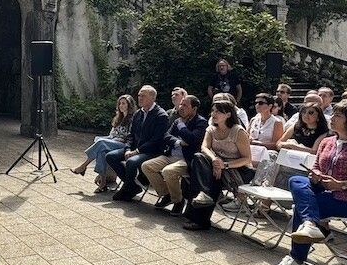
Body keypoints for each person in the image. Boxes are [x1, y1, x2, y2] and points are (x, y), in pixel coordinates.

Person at [271, 101, 347, 265]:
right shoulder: (328, 142)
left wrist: (341, 185)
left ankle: (297, 258)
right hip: (325, 190)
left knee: (305, 205)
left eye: (338, 115)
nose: (332, 118)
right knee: (296, 180)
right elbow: (316, 166)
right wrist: (315, 175)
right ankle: (310, 224)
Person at [183, 100, 253, 230]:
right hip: (218, 165)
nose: (214, 114)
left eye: (218, 111)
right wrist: (215, 160)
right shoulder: (211, 129)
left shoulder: (238, 132)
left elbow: (247, 159)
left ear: (228, 114)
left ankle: (198, 218)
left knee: (210, 179)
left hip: (237, 169)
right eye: (213, 110)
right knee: (199, 158)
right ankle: (203, 202)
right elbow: (204, 147)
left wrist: (224, 165)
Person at [141, 95, 207, 216]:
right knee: (146, 166)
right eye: (181, 104)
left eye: (185, 105)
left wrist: (182, 127)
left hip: (186, 159)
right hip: (170, 155)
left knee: (168, 171)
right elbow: (166, 136)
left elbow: (192, 139)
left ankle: (178, 201)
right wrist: (178, 142)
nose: (181, 107)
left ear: (194, 108)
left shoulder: (201, 122)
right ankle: (167, 195)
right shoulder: (177, 121)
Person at [107, 86, 170, 202]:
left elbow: (156, 140)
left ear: (152, 98)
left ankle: (127, 189)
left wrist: (136, 151)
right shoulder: (138, 114)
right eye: (139, 95)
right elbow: (131, 135)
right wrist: (127, 149)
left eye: (143, 96)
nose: (139, 98)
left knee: (131, 161)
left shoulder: (161, 116)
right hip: (135, 149)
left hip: (152, 151)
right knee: (111, 156)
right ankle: (131, 186)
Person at [72, 94, 136, 192]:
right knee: (101, 150)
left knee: (101, 143)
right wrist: (109, 139)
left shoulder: (132, 120)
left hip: (123, 145)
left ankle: (83, 166)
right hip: (113, 142)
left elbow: (130, 137)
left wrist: (115, 140)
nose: (121, 106)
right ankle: (103, 183)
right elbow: (111, 135)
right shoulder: (118, 118)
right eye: (120, 104)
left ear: (129, 105)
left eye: (124, 103)